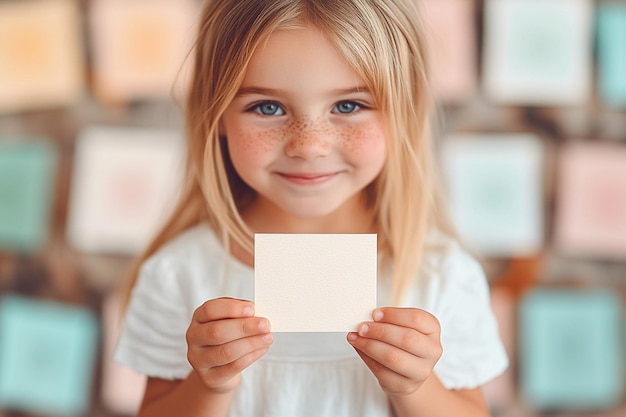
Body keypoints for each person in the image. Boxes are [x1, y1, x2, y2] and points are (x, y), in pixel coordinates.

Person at [115, 0, 508, 416]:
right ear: (217, 117)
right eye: (268, 107)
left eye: (348, 106)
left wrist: (416, 389)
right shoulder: (177, 274)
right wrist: (210, 384)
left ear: (403, 113)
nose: (309, 145)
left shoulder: (443, 275)